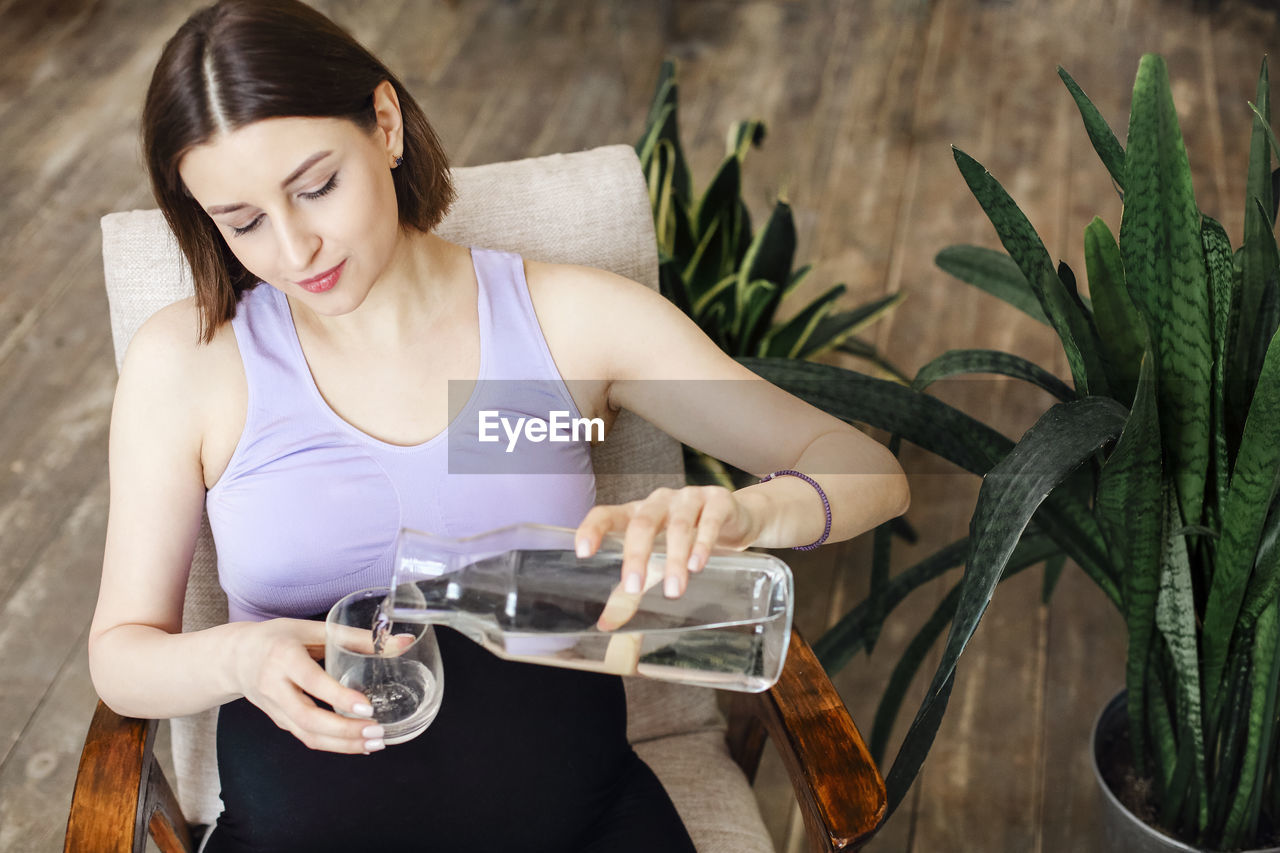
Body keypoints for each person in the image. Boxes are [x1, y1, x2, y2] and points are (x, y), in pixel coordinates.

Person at [87, 1, 911, 851]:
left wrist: (750, 513)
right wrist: (239, 658)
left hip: (582, 824)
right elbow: (120, 653)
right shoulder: (188, 362)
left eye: (317, 186)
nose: (296, 251)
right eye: (244, 222)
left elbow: (869, 470)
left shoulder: (569, 321)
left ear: (385, 121)